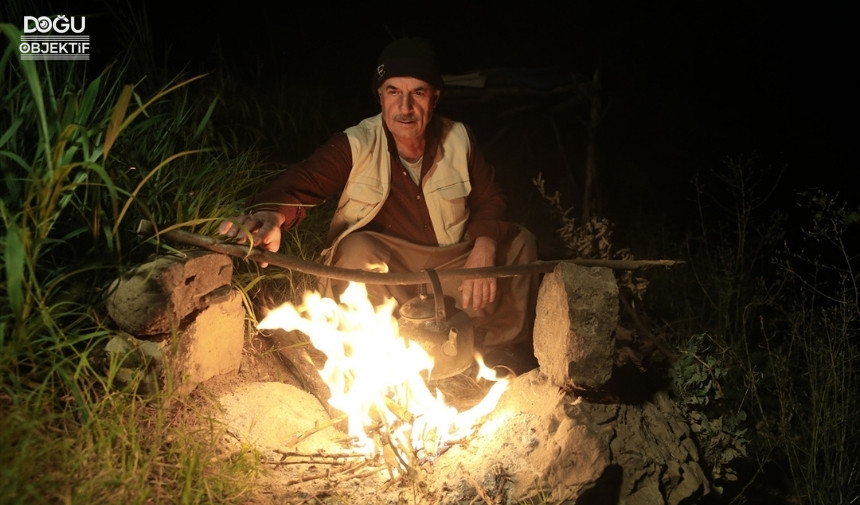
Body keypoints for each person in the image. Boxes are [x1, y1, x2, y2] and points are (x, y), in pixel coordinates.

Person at [219, 37, 539, 358]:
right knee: (355, 250)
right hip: (387, 273)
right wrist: (272, 215)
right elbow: (303, 181)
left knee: (519, 243)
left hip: (449, 266)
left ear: (435, 97)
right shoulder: (357, 142)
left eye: (418, 93)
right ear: (380, 97)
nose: (405, 107)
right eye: (394, 92)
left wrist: (484, 245)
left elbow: (492, 198)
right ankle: (373, 356)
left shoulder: (459, 137)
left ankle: (489, 354)